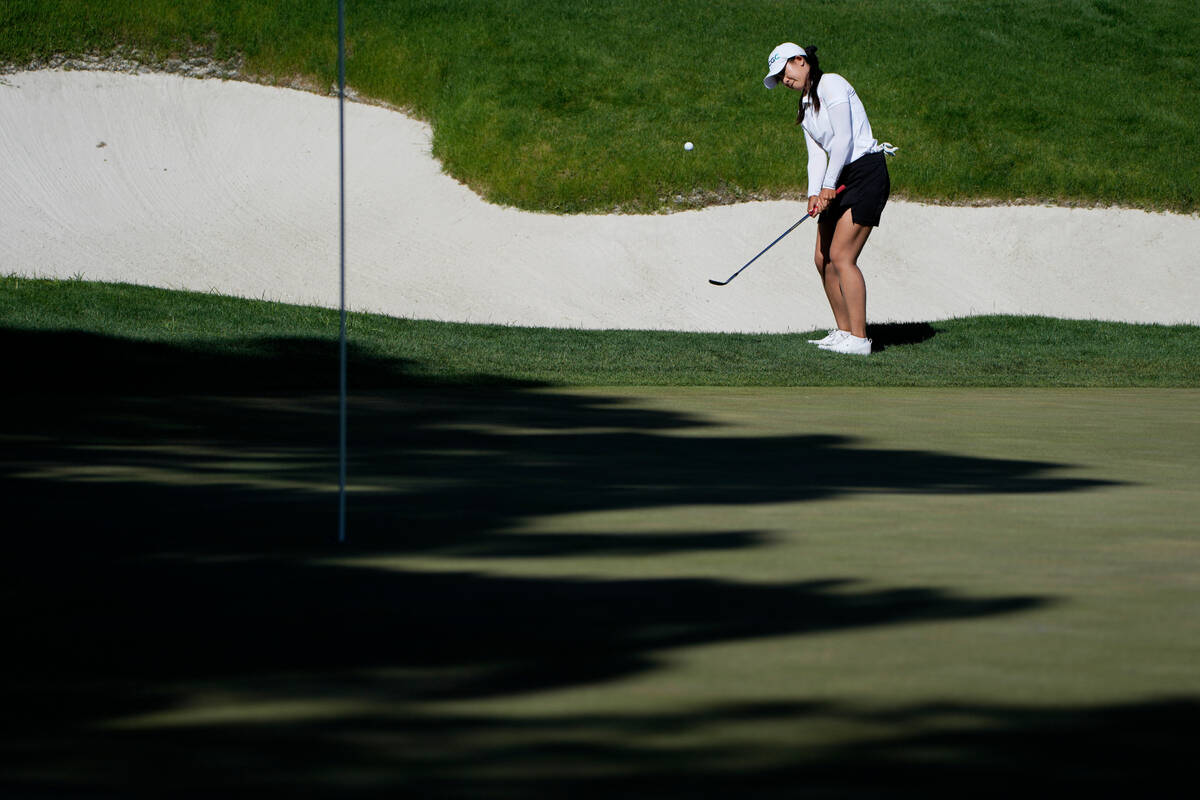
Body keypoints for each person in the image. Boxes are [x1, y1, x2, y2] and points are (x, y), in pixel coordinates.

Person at [764, 42, 895, 356]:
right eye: (779, 76)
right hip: (839, 178)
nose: (784, 79)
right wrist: (814, 192)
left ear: (801, 61)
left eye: (785, 71)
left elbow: (844, 138)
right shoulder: (806, 104)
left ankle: (860, 340)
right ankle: (844, 331)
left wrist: (827, 186)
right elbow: (816, 157)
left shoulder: (832, 83)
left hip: (865, 172)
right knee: (822, 258)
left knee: (841, 256)